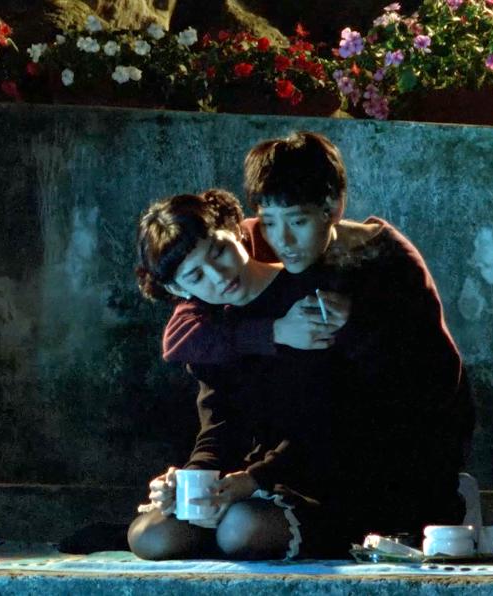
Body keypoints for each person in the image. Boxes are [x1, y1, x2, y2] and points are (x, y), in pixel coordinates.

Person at [130, 132, 473, 560]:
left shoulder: (356, 277)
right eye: (270, 223)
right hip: (278, 467)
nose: (283, 240)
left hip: (378, 453)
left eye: (297, 222)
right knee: (153, 534)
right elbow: (210, 400)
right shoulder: (219, 298)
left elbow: (362, 410)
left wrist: (254, 479)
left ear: (333, 208)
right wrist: (191, 480)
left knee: (242, 528)